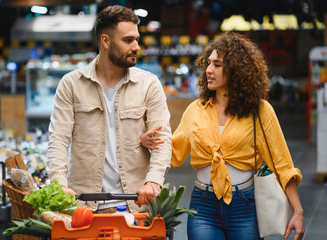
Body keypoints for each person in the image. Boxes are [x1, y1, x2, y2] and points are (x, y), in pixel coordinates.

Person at [141, 32, 304, 240]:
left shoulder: (260, 111)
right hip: (203, 205)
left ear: (236, 70)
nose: (209, 70)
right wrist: (150, 143)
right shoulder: (195, 109)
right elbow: (174, 152)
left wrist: (298, 211)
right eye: (208, 63)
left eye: (217, 65)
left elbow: (283, 165)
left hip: (245, 206)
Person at [46, 5, 172, 213]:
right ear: (105, 41)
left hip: (136, 205)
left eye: (137, 39)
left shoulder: (149, 84)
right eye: (128, 40)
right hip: (84, 206)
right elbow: (58, 139)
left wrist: (153, 181)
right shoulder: (71, 84)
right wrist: (59, 184)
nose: (136, 47)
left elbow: (163, 139)